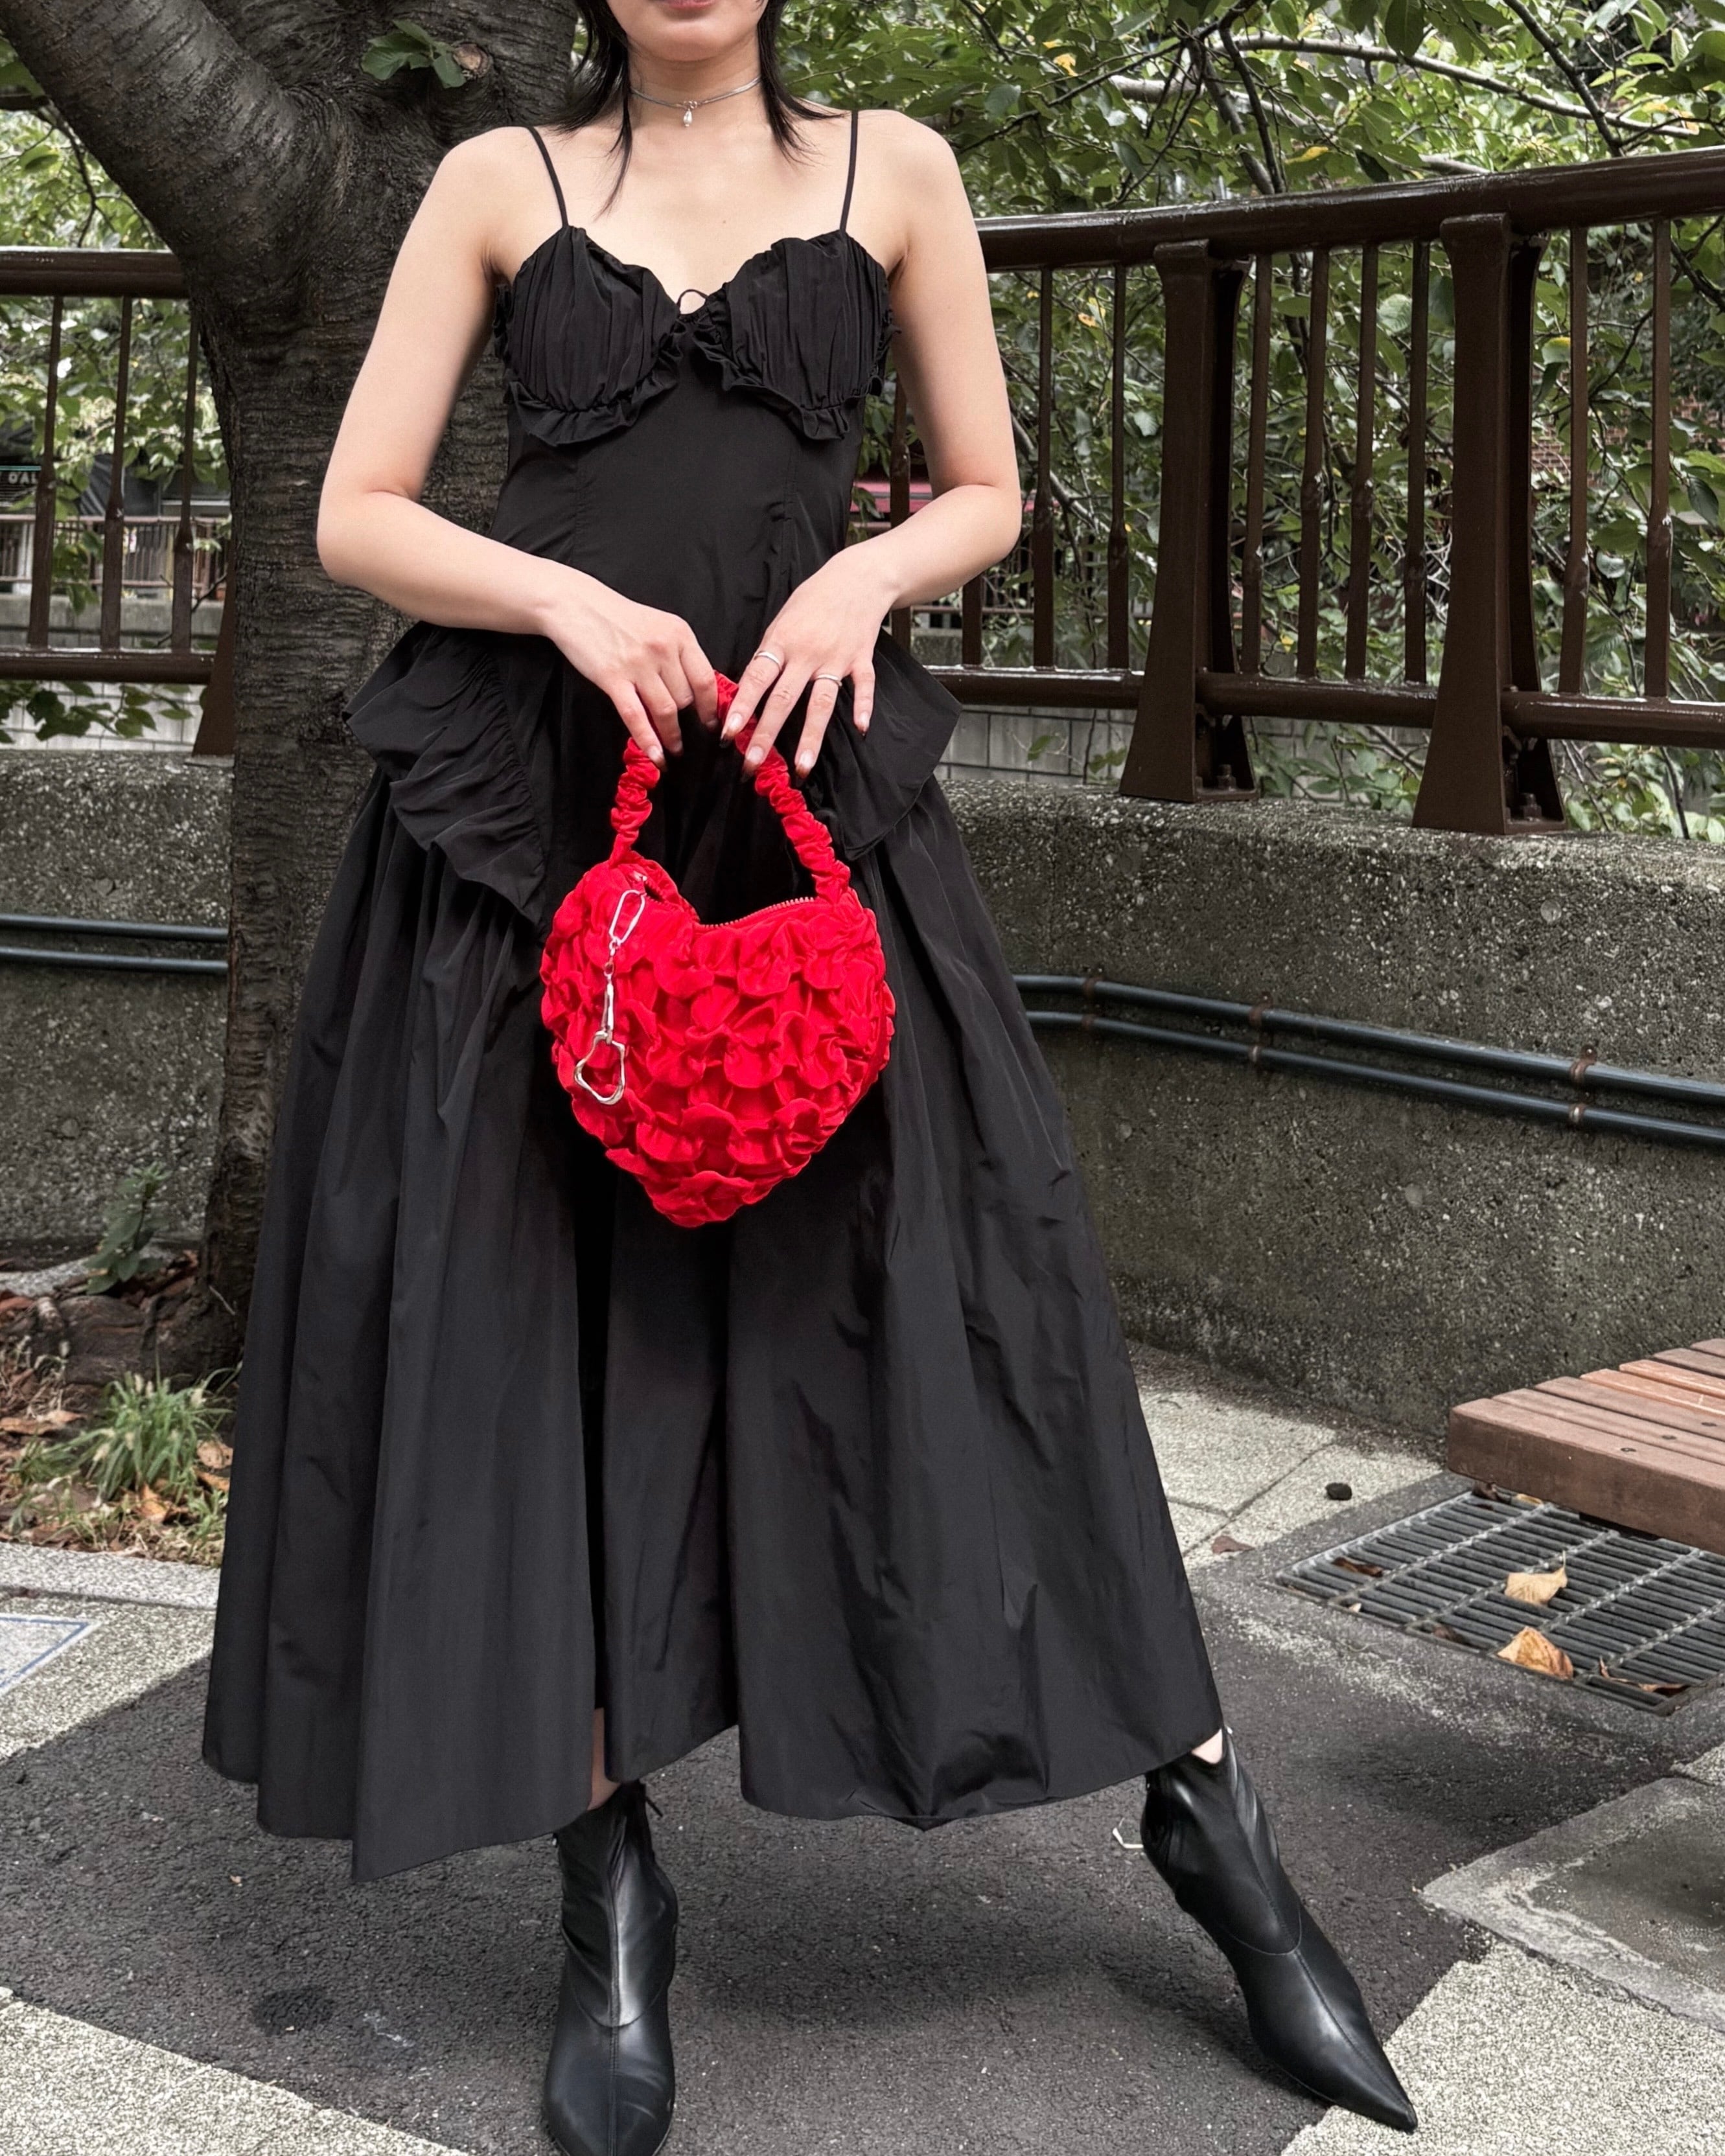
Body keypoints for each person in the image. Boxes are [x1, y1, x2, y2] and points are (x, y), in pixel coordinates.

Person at [200, 2, 1417, 2150]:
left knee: (983, 1295)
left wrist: (870, 567)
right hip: (531, 815)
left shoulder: (897, 169)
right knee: (534, 1325)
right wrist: (562, 604)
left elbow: (990, 494)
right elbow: (358, 518)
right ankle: (610, 1893)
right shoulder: (499, 178)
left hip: (806, 791)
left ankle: (1212, 1827)